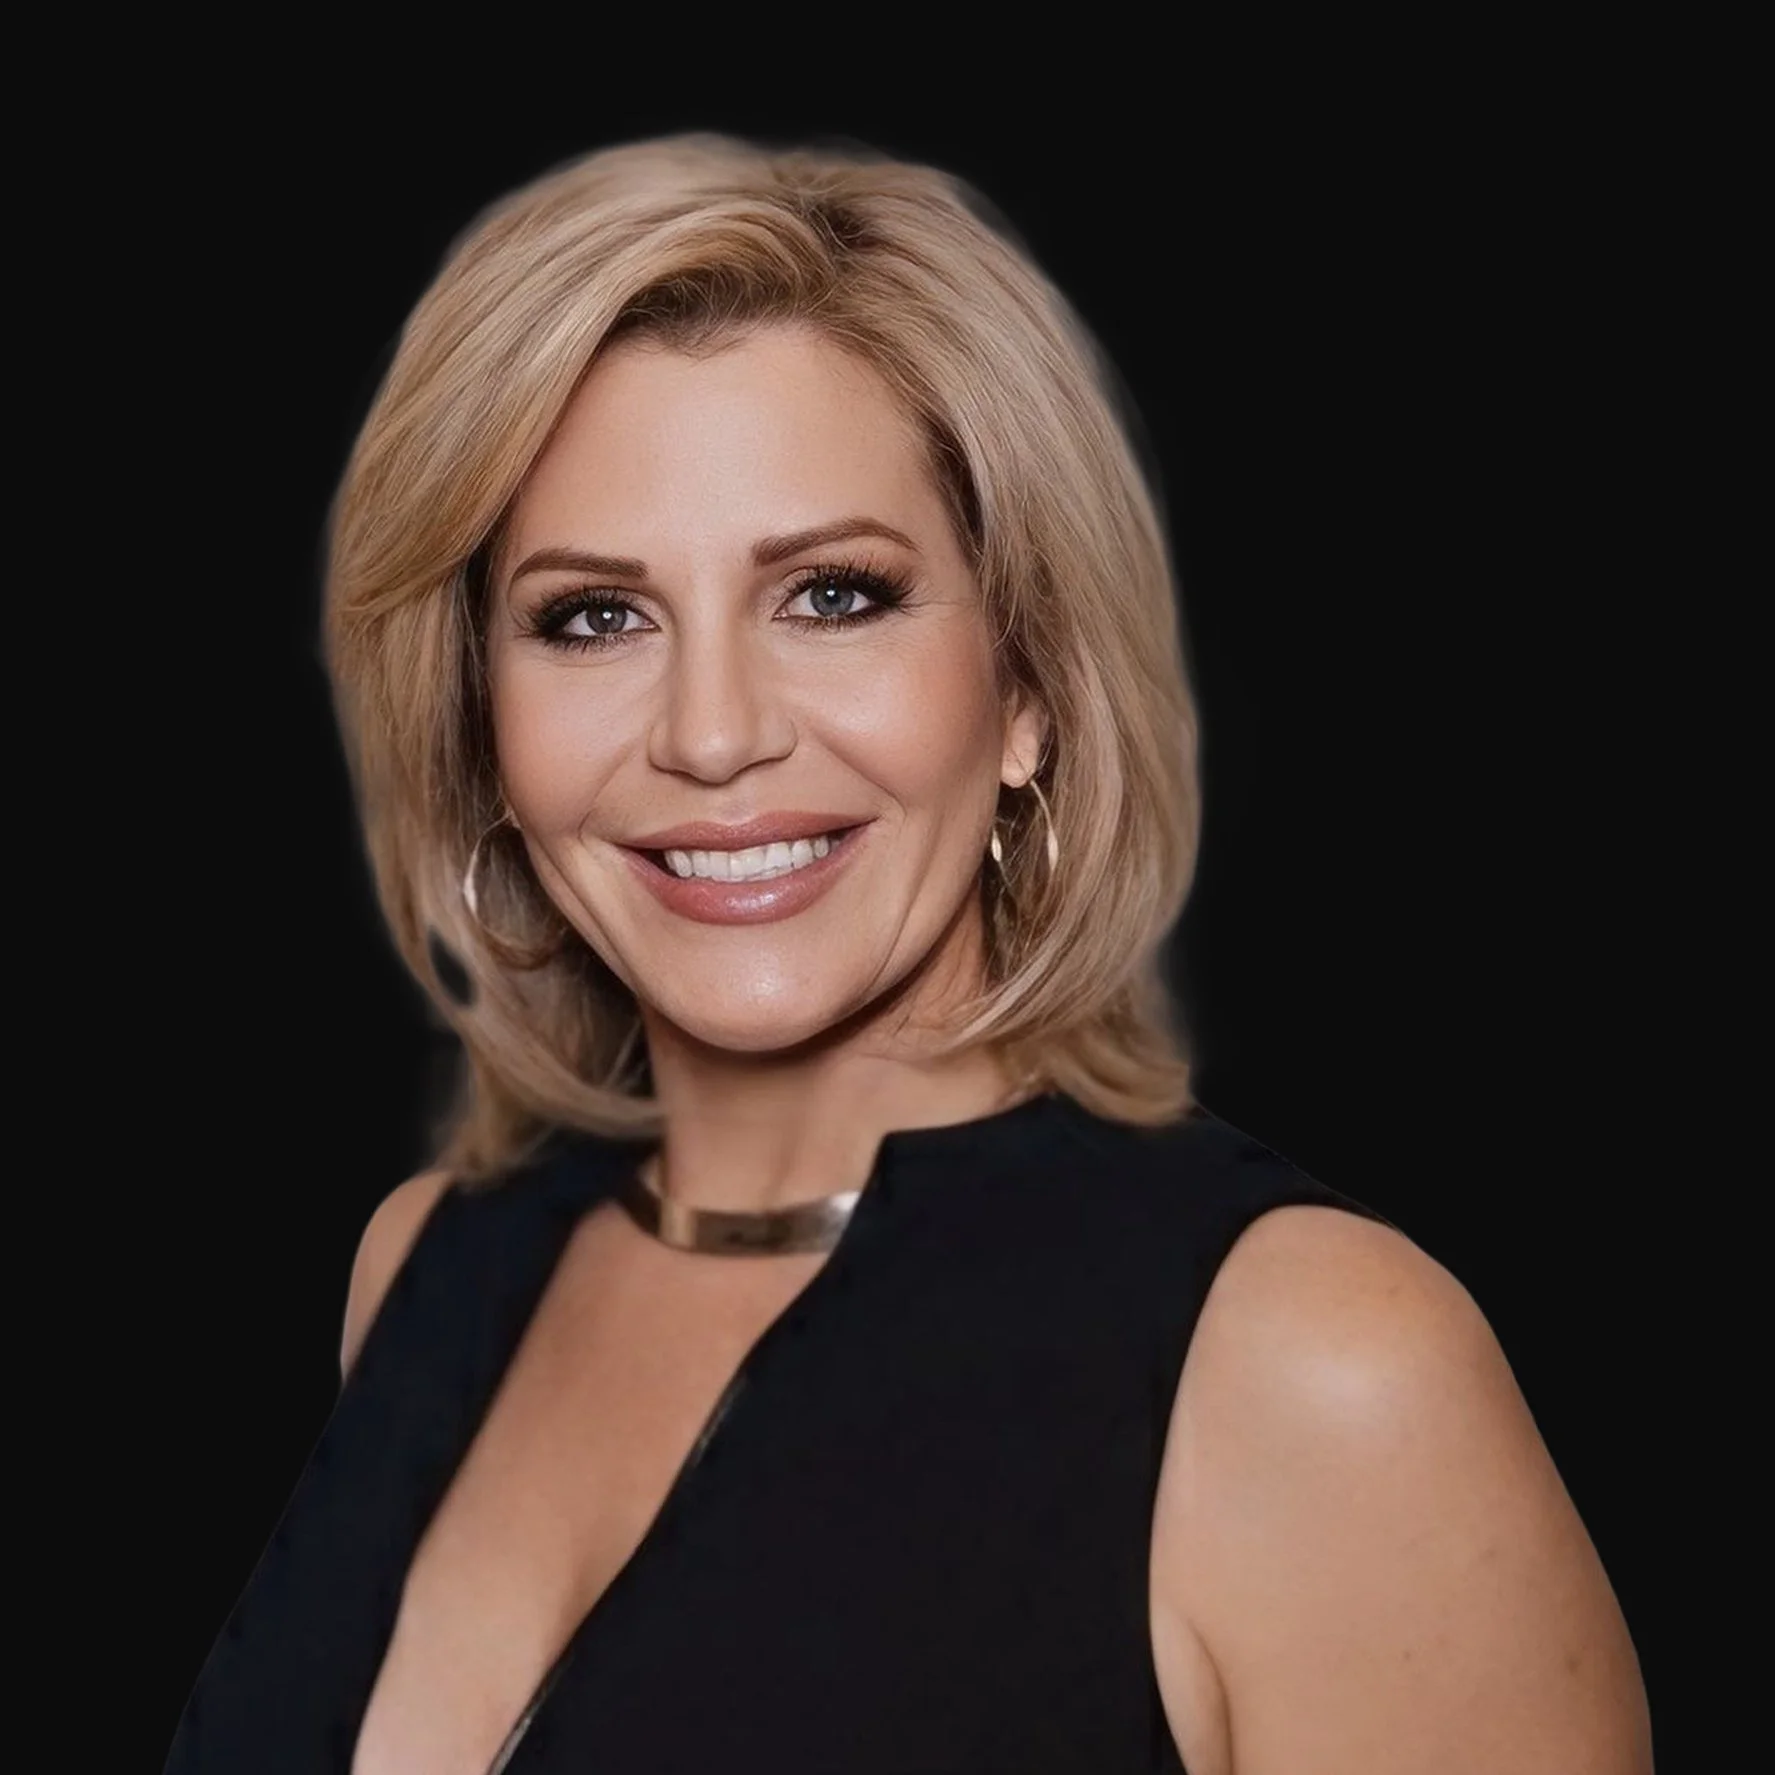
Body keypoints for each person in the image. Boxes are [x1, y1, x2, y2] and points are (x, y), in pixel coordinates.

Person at [165, 133, 1652, 1774]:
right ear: (482, 724)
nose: (712, 733)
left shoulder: (1308, 1367)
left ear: (1027, 689)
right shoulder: (424, 1267)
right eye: (594, 616)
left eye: (833, 595)